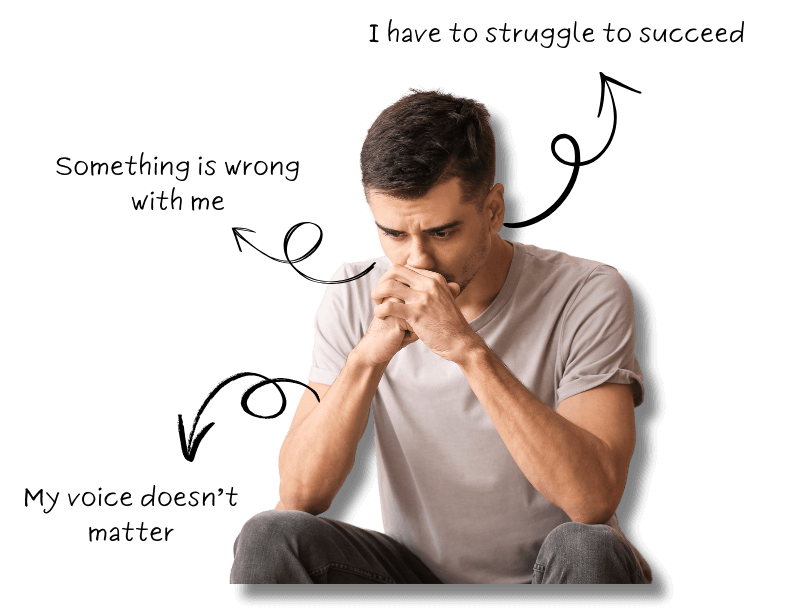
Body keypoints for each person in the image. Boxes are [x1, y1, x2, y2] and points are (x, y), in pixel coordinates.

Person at [230, 89, 652, 584]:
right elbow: (299, 496)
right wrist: (367, 358)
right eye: (394, 234)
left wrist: (466, 348)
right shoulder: (353, 291)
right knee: (270, 535)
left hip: (556, 575)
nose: (417, 261)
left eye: (442, 232)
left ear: (493, 210)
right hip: (417, 579)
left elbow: (593, 501)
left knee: (588, 545)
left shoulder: (587, 291)